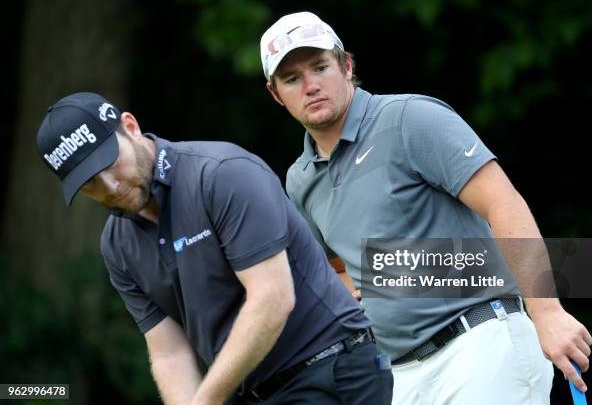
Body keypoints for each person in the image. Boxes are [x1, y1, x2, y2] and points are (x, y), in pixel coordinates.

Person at [260, 11, 592, 405]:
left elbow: (503, 203)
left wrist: (548, 313)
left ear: (346, 66)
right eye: (292, 78)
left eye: (320, 67)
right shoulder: (299, 180)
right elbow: (336, 267)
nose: (311, 86)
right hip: (402, 376)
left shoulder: (409, 119)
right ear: (276, 93)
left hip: (481, 344)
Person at [35, 92, 394, 405]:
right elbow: (169, 352)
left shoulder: (221, 174)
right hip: (247, 393)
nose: (110, 186)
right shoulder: (117, 245)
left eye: (110, 164)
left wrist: (206, 399)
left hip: (330, 370)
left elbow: (272, 299)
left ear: (130, 127)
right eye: (90, 184)